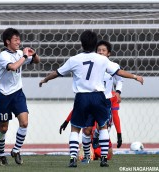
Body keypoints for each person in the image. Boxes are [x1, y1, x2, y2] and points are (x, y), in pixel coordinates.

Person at [39, 30, 143, 168]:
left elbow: (57, 73)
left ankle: (72, 159)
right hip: (98, 96)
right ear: (95, 45)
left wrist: (45, 79)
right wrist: (136, 77)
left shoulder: (74, 59)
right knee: (103, 127)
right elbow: (119, 72)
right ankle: (104, 159)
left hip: (82, 97)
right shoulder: (102, 59)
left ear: (82, 43)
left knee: (75, 128)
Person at [59, 40, 123, 162]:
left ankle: (97, 148)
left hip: (104, 102)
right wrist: (67, 120)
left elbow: (119, 80)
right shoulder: (91, 66)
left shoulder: (113, 67)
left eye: (103, 50)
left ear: (109, 53)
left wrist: (118, 92)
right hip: (92, 99)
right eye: (99, 50)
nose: (101, 52)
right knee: (87, 129)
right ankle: (88, 153)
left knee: (102, 129)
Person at [0, 28, 40, 166]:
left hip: (18, 93)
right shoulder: (3, 56)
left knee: (24, 122)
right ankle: (1, 152)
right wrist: (25, 57)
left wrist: (34, 53)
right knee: (3, 128)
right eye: (16, 40)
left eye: (19, 39)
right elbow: (14, 67)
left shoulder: (20, 53)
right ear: (7, 41)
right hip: (3, 95)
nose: (19, 42)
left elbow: (37, 61)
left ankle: (16, 150)